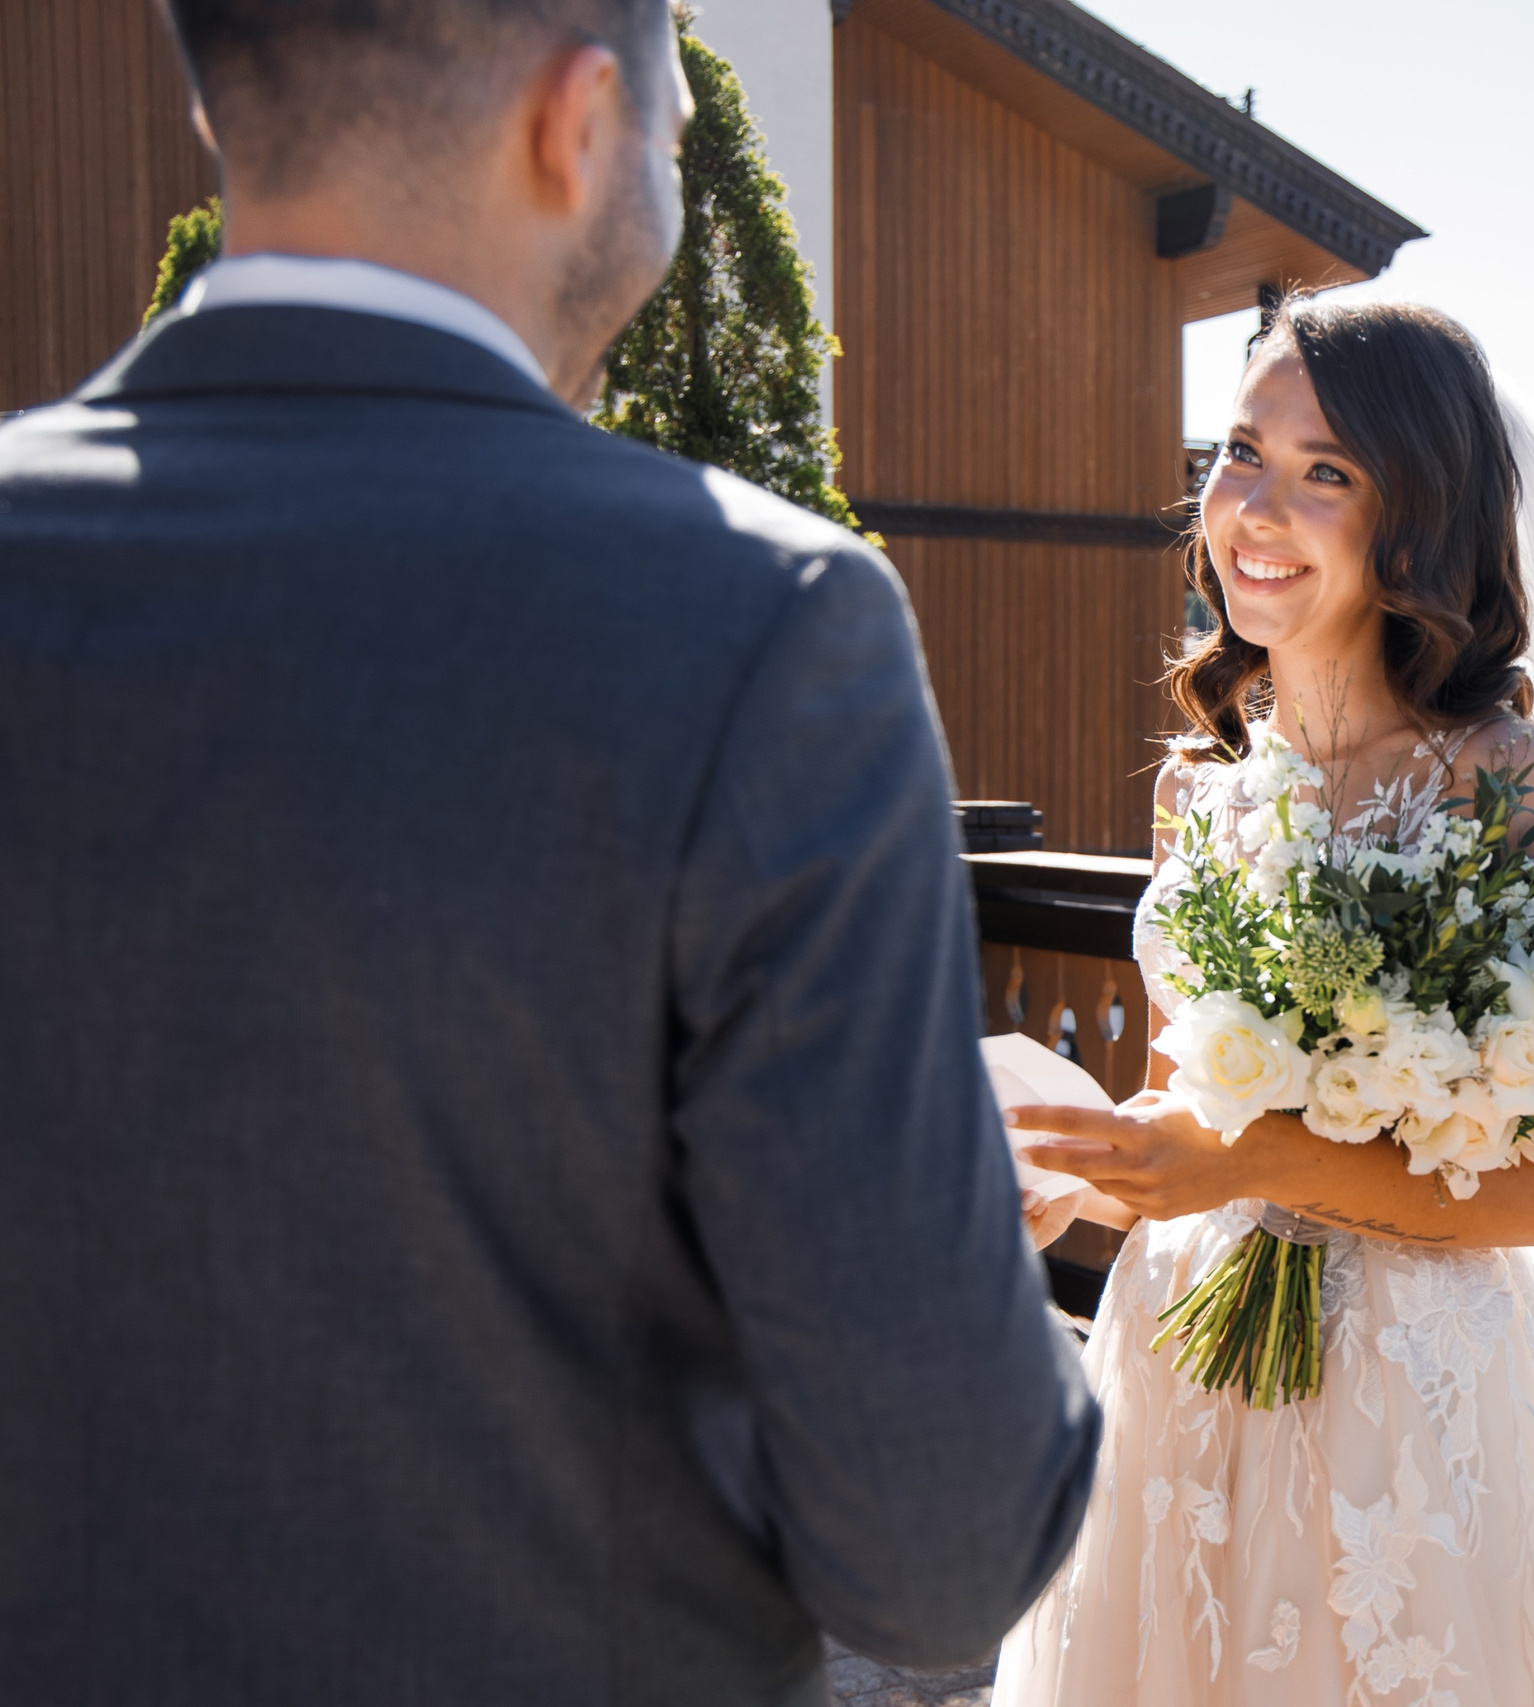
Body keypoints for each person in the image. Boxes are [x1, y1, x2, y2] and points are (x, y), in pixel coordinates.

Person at [0, 3, 1097, 1702]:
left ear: (229, 123)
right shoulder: (766, 625)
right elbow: (937, 1554)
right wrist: (944, 1232)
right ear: (579, 125)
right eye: (669, 128)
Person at [994, 298, 1534, 1706]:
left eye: (1325, 471)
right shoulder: (1202, 792)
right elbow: (1197, 1118)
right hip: (1179, 1365)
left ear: (1415, 514)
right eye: (1241, 451)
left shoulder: (1507, 786)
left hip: (1400, 1420)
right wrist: (1079, 1174)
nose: (1255, 507)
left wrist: (1233, 1163)